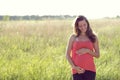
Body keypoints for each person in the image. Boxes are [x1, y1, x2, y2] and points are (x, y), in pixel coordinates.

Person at [66, 15, 100, 80]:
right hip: (77, 70)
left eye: (84, 25)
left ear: (87, 24)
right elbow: (67, 55)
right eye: (80, 26)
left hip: (90, 70)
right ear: (77, 27)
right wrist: (74, 67)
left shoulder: (93, 37)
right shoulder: (73, 37)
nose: (83, 27)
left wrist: (87, 50)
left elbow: (97, 55)